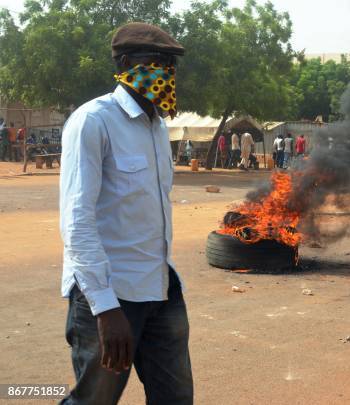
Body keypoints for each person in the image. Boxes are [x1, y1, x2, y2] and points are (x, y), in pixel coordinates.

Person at [59, 22, 192, 404]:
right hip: (111, 295)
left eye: (172, 64)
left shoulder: (158, 126)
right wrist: (105, 308)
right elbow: (77, 219)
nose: (168, 71)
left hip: (160, 287)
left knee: (176, 398)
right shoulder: (94, 121)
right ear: (125, 63)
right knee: (94, 401)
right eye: (159, 61)